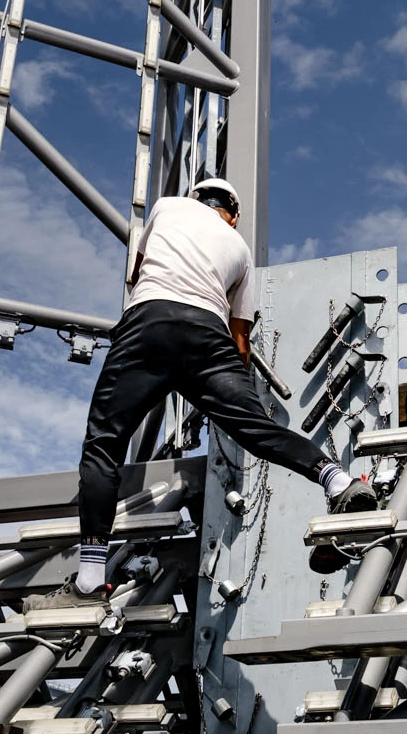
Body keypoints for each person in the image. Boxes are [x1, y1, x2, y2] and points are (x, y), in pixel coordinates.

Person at [74, 176, 374, 597]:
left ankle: (89, 580)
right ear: (232, 214)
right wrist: (230, 389)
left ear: (195, 198)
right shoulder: (240, 249)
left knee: (104, 443)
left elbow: (136, 274)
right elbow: (240, 339)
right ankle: (336, 479)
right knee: (257, 430)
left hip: (149, 322)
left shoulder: (165, 207)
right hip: (208, 337)